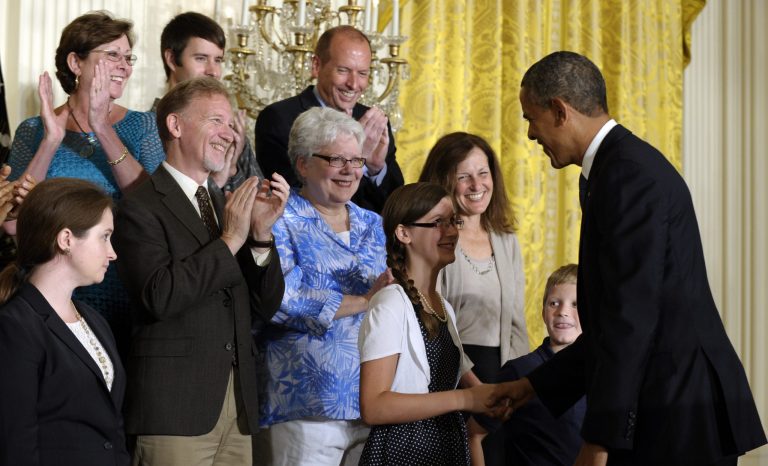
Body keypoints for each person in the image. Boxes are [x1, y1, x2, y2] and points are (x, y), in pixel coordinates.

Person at [489, 51, 767, 466]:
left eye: (530, 118)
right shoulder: (617, 168)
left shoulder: (627, 175)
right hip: (664, 406)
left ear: (560, 111)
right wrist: (530, 386)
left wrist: (599, 440)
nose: (530, 134)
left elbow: (630, 319)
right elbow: (608, 327)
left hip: (678, 414)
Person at [112, 77, 288, 466]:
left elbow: (266, 305)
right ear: (175, 126)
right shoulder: (140, 206)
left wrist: (260, 237)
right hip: (175, 410)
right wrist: (230, 239)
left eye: (230, 125)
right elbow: (161, 295)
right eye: (215, 121)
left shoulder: (226, 203)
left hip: (238, 411)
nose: (228, 135)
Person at [5, 12, 165, 357]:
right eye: (112, 55)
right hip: (48, 294)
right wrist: (51, 140)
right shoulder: (33, 131)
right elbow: (14, 222)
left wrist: (101, 127)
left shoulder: (142, 126)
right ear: (75, 62)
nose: (124, 66)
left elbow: (155, 206)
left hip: (124, 288)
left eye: (127, 57)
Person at [256, 106, 391, 466]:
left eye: (357, 160)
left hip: (373, 401)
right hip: (307, 406)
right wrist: (365, 300)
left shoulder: (374, 224)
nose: (350, 170)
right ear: (302, 164)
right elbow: (282, 299)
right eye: (336, 159)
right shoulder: (278, 218)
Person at [357, 182, 494, 466]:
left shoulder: (443, 308)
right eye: (437, 223)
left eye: (453, 221)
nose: (452, 232)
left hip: (445, 449)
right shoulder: (390, 304)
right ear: (403, 233)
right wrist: (464, 400)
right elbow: (374, 406)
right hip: (404, 452)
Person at [0, 178, 129, 466]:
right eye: (104, 236)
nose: (113, 253)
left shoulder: (94, 320)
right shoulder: (16, 326)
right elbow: (16, 442)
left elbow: (112, 427)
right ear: (66, 239)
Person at [419, 131, 528, 466]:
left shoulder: (506, 238)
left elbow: (516, 320)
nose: (476, 184)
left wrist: (521, 386)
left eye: (483, 173)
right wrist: (474, 387)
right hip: (454, 377)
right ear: (445, 181)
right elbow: (434, 324)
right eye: (463, 176)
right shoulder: (434, 237)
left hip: (503, 377)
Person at [255, 25, 403, 213]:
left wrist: (375, 169)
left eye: (363, 73)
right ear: (317, 66)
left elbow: (399, 208)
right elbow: (291, 201)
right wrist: (358, 157)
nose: (354, 84)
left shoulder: (375, 125)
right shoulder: (279, 118)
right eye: (343, 70)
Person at [471, 264, 585, 466]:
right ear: (543, 312)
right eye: (554, 303)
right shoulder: (519, 372)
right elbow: (474, 434)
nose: (563, 312)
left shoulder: (602, 374)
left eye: (575, 304)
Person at [155, 11, 263, 192]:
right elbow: (161, 203)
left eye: (218, 60)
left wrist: (233, 166)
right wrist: (217, 180)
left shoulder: (232, 130)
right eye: (201, 58)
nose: (213, 71)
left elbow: (261, 197)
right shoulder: (147, 126)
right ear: (172, 59)